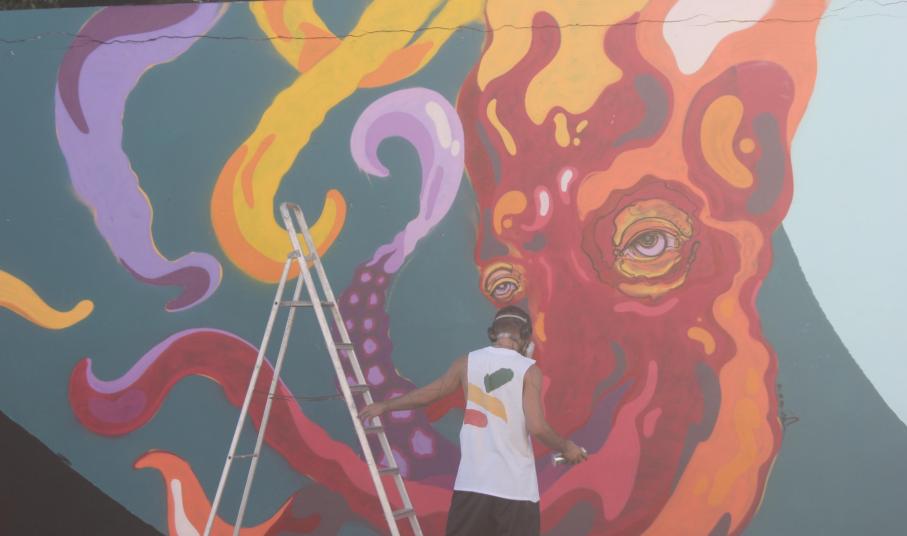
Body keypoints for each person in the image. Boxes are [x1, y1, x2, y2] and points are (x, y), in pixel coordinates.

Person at [359, 305, 587, 535]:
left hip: (473, 485)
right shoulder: (528, 370)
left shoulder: (467, 362)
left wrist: (385, 406)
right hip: (516, 489)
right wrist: (567, 447)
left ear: (493, 333)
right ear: (526, 337)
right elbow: (537, 427)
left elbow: (431, 393)